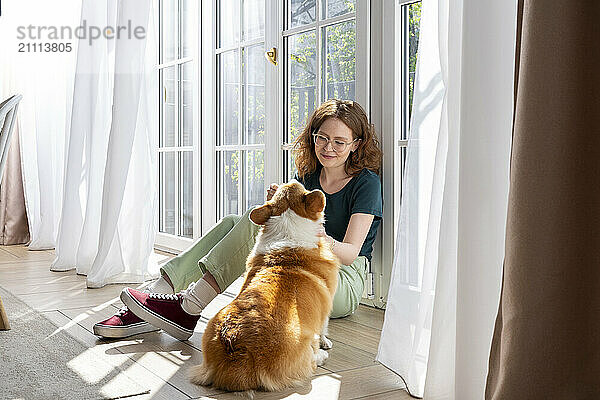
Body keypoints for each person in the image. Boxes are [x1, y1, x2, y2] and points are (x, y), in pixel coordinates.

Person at [93, 99, 383, 340]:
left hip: (336, 282)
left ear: (356, 145)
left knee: (249, 221)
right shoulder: (308, 175)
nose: (328, 147)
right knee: (236, 220)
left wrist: (306, 230)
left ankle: (185, 306)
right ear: (313, 137)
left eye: (340, 142)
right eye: (322, 138)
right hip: (300, 263)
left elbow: (350, 253)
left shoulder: (366, 183)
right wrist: (278, 207)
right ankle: (163, 297)